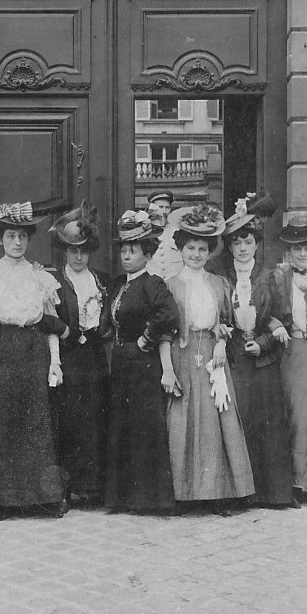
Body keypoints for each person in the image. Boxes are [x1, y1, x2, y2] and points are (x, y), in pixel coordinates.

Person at [0, 199, 69, 519]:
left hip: (35, 349)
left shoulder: (40, 276)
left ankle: (44, 498)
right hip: (4, 347)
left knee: (37, 421)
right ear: (0, 240)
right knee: (4, 419)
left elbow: (50, 322)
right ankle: (7, 499)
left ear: (29, 240)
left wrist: (55, 361)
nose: (16, 243)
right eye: (10, 237)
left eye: (22, 237)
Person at [165, 203, 255, 516]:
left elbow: (228, 320)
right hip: (183, 355)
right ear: (181, 249)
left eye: (202, 249)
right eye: (190, 248)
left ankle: (217, 494)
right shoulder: (170, 285)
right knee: (183, 421)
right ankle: (183, 493)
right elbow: (165, 328)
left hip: (214, 358)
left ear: (209, 251)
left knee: (217, 421)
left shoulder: (218, 283)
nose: (196, 254)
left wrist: (221, 340)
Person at [209, 194, 293, 508]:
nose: (243, 248)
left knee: (266, 422)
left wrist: (264, 342)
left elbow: (285, 319)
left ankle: (270, 493)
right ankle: (239, 492)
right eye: (236, 243)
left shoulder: (272, 275)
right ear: (229, 246)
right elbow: (213, 314)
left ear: (256, 243)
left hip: (263, 361)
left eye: (248, 242)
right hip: (232, 359)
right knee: (237, 421)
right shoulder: (219, 276)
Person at [103, 210, 179, 514]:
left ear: (147, 254)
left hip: (144, 364)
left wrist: (145, 340)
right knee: (121, 426)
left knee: (144, 428)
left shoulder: (153, 283)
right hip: (121, 363)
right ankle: (120, 498)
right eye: (123, 250)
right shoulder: (118, 284)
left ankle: (147, 499)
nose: (126, 256)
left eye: (133, 251)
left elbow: (168, 315)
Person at [258, 216, 307, 506]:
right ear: (289, 250)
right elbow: (262, 309)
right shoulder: (277, 277)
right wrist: (275, 324)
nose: (303, 253)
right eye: (297, 248)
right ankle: (295, 481)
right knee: (297, 415)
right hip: (292, 351)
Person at [47, 202, 112, 510]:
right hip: (69, 357)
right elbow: (45, 318)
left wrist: (104, 332)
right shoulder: (54, 282)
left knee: (95, 420)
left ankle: (93, 487)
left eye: (84, 251)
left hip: (95, 358)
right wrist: (64, 333)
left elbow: (111, 317)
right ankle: (65, 489)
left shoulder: (102, 280)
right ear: (64, 251)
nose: (78, 256)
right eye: (73, 251)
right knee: (68, 422)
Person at [145, 190, 184, 282]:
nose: (164, 211)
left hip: (175, 284)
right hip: (152, 286)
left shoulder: (177, 230)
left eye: (167, 208)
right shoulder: (144, 231)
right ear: (152, 208)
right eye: (160, 207)